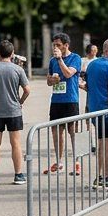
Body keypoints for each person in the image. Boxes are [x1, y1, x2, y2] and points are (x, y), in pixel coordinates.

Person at [0, 39, 32, 187]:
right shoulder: (18, 69)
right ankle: (18, 175)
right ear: (12, 53)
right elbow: (27, 90)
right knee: (15, 143)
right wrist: (20, 101)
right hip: (14, 110)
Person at [83, 40, 108, 188]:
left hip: (94, 109)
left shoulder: (92, 65)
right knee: (107, 144)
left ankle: (99, 176)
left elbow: (88, 85)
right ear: (106, 51)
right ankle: (106, 176)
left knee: (101, 143)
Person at [44, 34, 84, 167]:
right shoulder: (52, 61)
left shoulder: (75, 58)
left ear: (66, 45)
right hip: (56, 100)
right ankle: (59, 161)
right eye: (54, 45)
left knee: (73, 132)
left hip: (70, 100)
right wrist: (52, 80)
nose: (55, 47)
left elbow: (68, 73)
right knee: (56, 132)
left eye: (58, 45)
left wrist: (60, 59)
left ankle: (77, 161)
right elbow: (48, 81)